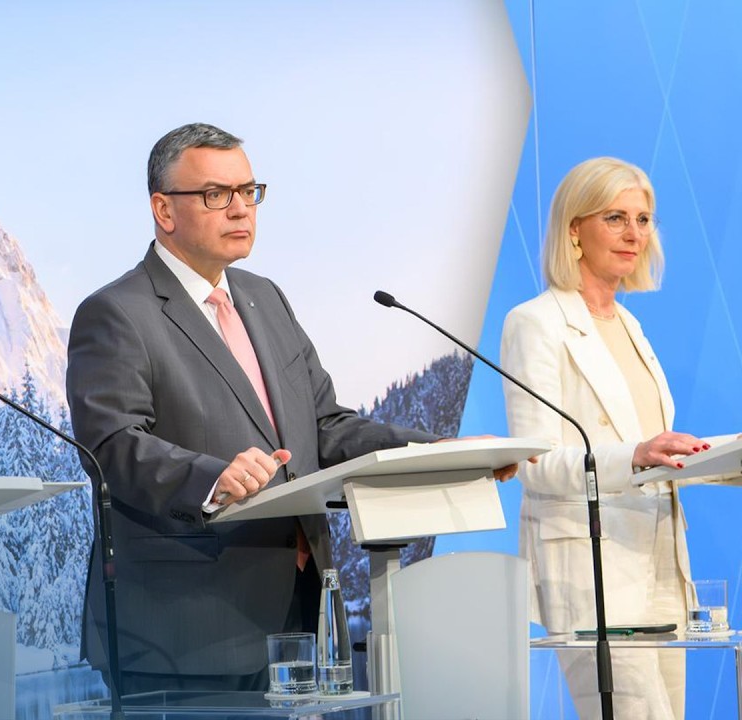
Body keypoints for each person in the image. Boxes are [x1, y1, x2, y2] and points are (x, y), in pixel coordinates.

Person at [65, 122, 513, 694]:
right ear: (163, 209)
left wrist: (439, 452)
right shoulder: (116, 312)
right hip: (184, 630)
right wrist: (210, 478)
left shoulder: (265, 298)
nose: (239, 209)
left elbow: (325, 428)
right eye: (215, 194)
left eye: (249, 192)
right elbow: (111, 444)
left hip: (299, 621)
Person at [501, 157, 739, 720]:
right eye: (615, 217)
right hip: (594, 568)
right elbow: (536, 464)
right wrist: (634, 455)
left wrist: (716, 461)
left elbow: (652, 452)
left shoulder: (630, 325)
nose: (635, 233)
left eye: (644, 218)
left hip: (659, 559)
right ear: (574, 229)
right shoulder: (535, 322)